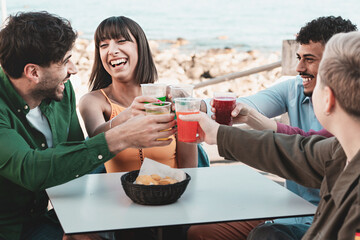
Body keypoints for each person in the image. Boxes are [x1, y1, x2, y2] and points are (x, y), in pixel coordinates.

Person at [0, 11, 176, 240]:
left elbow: (75, 159)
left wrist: (77, 223)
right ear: (33, 72)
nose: (73, 69)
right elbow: (31, 169)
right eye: (65, 62)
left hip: (49, 219)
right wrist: (121, 137)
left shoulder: (61, 91)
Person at [182, 31, 360, 240]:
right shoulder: (340, 150)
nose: (299, 69)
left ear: (328, 98)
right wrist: (218, 134)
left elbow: (297, 147)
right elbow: (294, 151)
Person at [79, 16, 197, 174]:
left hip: (170, 194)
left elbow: (190, 169)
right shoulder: (93, 101)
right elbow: (96, 143)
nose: (112, 51)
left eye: (121, 41)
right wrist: (126, 115)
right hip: (118, 197)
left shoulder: (170, 98)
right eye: (104, 45)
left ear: (140, 47)